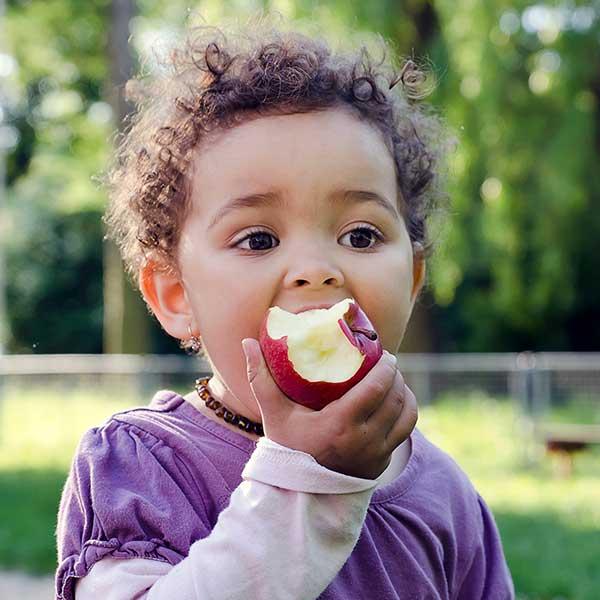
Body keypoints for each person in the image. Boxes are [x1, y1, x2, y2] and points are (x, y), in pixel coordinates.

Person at [55, 15, 515, 600]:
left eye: (361, 236)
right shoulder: (140, 468)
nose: (317, 269)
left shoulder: (445, 494)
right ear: (176, 296)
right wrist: (306, 480)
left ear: (414, 277)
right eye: (259, 240)